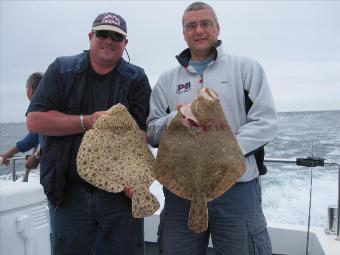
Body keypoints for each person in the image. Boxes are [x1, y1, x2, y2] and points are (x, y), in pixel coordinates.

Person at [147, 2, 278, 255]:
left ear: (217, 28)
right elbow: (152, 132)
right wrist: (177, 118)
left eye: (205, 24)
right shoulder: (166, 81)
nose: (199, 30)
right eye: (191, 26)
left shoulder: (246, 69)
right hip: (180, 191)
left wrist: (223, 152)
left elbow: (266, 122)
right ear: (184, 33)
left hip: (235, 186)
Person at [26, 12, 151, 255]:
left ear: (125, 43)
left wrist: (136, 182)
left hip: (119, 197)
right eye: (102, 34)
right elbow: (35, 121)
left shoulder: (136, 78)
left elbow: (141, 136)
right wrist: (88, 121)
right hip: (69, 193)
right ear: (90, 36)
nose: (109, 40)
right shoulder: (62, 70)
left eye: (116, 36)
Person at [0, 72, 44, 173]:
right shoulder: (53, 106)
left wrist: (37, 156)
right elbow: (34, 137)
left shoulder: (43, 110)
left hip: (59, 172)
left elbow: (57, 141)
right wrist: (9, 154)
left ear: (30, 89)